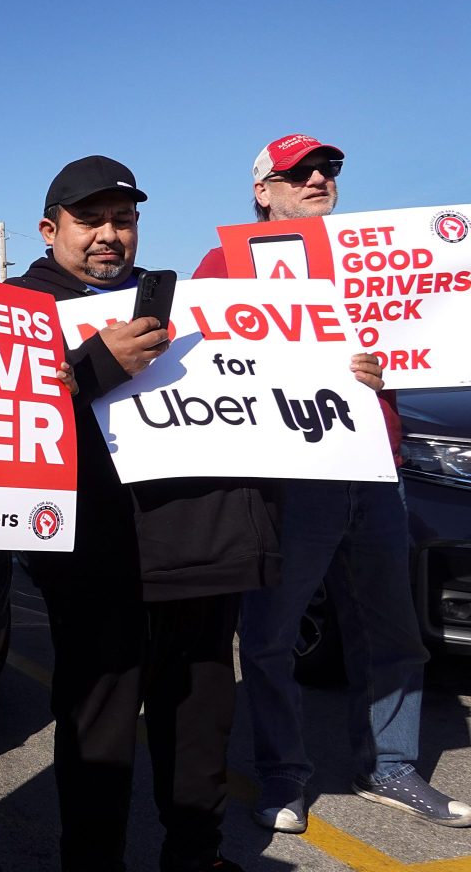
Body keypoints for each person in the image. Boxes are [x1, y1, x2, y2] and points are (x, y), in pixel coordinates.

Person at [9, 155, 284, 872]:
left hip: (204, 552)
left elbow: (271, 385)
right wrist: (93, 367)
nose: (109, 234)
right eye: (90, 219)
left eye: (123, 219)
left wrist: (340, 376)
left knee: (199, 732)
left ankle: (196, 857)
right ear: (49, 229)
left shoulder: (188, 301)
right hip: (97, 565)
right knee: (97, 738)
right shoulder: (10, 308)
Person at [197, 133, 471, 832]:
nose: (319, 179)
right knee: (270, 636)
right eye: (300, 172)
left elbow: (423, 339)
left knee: (392, 630)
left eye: (328, 169)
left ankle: (389, 764)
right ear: (263, 189)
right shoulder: (226, 263)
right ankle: (284, 777)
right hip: (292, 479)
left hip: (377, 471)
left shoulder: (372, 257)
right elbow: (204, 364)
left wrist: (390, 363)